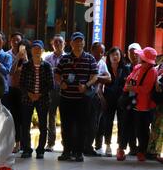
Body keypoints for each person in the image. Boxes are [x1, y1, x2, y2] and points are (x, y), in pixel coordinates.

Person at [55, 32, 99, 162]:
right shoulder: (65, 58)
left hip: (82, 99)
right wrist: (61, 83)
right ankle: (66, 152)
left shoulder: (90, 58)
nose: (78, 44)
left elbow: (95, 76)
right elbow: (57, 74)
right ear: (71, 43)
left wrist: (87, 85)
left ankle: (79, 152)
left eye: (81, 41)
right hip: (66, 98)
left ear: (84, 43)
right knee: (66, 126)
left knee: (82, 126)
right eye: (76, 41)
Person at [19, 40, 54, 159]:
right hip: (27, 98)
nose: (36, 51)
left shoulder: (47, 66)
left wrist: (39, 94)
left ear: (42, 51)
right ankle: (27, 149)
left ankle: (40, 150)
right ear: (31, 51)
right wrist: (29, 94)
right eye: (34, 49)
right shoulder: (26, 66)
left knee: (43, 125)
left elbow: (51, 85)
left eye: (39, 49)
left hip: (43, 99)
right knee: (25, 125)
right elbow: (21, 83)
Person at [123, 47, 158, 162]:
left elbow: (147, 89)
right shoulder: (137, 67)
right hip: (132, 102)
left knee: (142, 130)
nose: (138, 57)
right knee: (128, 126)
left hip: (144, 105)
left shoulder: (152, 71)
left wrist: (132, 87)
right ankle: (126, 149)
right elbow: (128, 79)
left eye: (141, 56)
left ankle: (142, 151)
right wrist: (128, 88)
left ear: (146, 60)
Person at [103, 47, 131, 159]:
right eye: (112, 55)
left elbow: (128, 84)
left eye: (117, 55)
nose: (115, 57)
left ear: (121, 56)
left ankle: (120, 147)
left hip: (122, 100)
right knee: (108, 122)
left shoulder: (125, 69)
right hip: (108, 99)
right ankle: (108, 145)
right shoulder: (106, 68)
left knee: (122, 123)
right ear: (108, 57)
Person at [44, 34, 66, 152]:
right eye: (55, 42)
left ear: (64, 44)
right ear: (52, 45)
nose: (57, 44)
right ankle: (50, 143)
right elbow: (46, 74)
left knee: (65, 117)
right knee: (51, 116)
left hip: (64, 90)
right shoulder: (47, 58)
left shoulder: (67, 58)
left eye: (60, 42)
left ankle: (65, 143)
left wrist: (55, 71)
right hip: (51, 90)